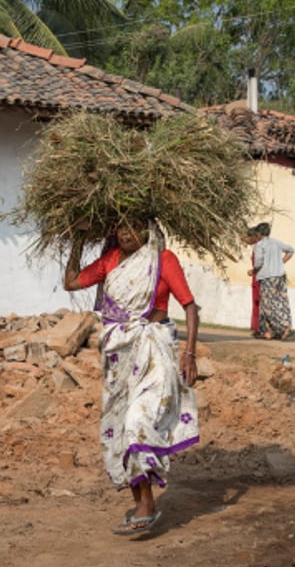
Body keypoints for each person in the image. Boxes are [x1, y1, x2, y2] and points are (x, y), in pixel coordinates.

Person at [64, 220, 199, 537]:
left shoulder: (162, 259)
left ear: (147, 229)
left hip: (154, 352)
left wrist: (189, 354)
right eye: (120, 227)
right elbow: (71, 282)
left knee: (137, 421)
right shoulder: (110, 260)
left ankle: (147, 506)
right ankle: (142, 502)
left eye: (134, 227)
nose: (126, 233)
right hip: (119, 358)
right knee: (120, 429)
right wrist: (77, 241)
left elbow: (190, 306)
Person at [248, 223, 295, 341]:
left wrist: (253, 271)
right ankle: (267, 331)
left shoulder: (260, 245)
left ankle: (284, 328)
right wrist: (280, 262)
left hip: (267, 277)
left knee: (269, 305)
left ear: (259, 234)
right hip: (280, 276)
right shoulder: (276, 242)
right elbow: (290, 250)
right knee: (280, 302)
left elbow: (258, 263)